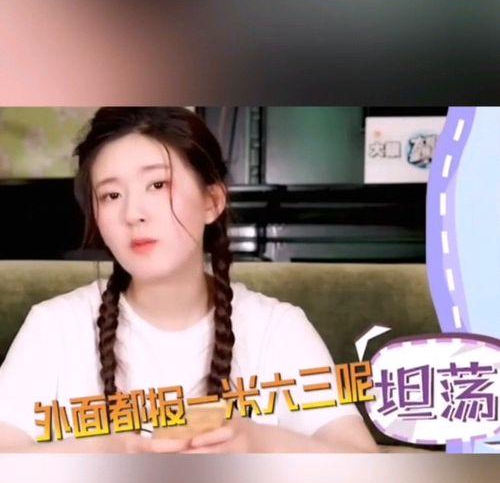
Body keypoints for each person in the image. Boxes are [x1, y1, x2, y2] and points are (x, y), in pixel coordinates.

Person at [0, 107, 377, 454]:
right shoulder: (55, 326)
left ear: (212, 201)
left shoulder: (276, 328)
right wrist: (102, 452)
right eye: (111, 195)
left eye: (157, 185)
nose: (133, 213)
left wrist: (255, 441)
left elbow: (362, 465)